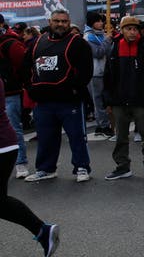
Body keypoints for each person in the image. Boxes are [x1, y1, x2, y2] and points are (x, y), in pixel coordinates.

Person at [23, 9, 94, 183]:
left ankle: (82, 167)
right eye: (57, 21)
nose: (60, 24)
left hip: (69, 101)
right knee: (46, 138)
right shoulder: (37, 42)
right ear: (50, 21)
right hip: (43, 102)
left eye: (64, 21)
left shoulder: (78, 43)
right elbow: (25, 68)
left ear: (69, 23)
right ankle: (46, 169)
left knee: (77, 137)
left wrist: (72, 89)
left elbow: (86, 72)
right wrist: (31, 89)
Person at [0, 79, 59, 257]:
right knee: (1, 203)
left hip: (2, 147)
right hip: (5, 145)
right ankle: (43, 231)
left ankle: (42, 230)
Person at [102, 15, 144, 180]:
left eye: (135, 29)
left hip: (142, 102)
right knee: (121, 137)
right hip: (119, 101)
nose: (132, 32)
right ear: (122, 30)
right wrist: (107, 101)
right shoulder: (114, 49)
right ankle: (122, 167)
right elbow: (107, 76)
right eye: (128, 29)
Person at [0, 15, 30, 179]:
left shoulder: (11, 43)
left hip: (10, 93)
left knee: (13, 128)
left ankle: (21, 163)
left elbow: (23, 65)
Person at [83, 11, 113, 138]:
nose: (101, 23)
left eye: (102, 21)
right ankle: (103, 126)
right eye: (98, 21)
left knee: (103, 100)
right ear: (91, 22)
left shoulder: (99, 35)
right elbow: (98, 52)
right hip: (95, 73)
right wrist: (107, 40)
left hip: (103, 71)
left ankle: (102, 125)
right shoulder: (88, 37)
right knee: (98, 101)